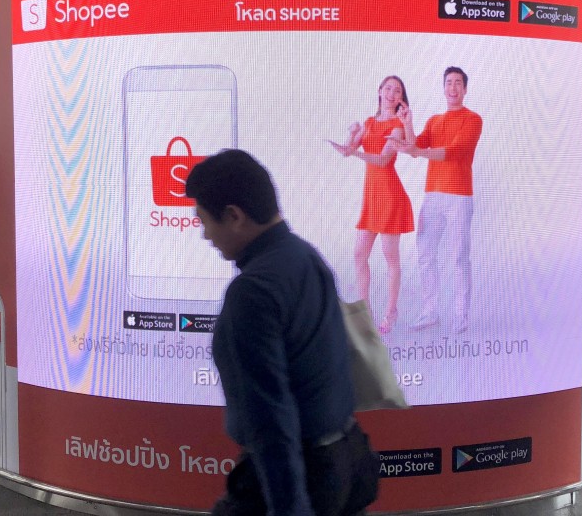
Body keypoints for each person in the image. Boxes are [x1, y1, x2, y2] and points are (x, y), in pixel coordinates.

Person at [184, 149, 379, 516]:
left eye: (204, 221)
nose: (206, 235)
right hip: (346, 460)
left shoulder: (252, 293)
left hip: (298, 481)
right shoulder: (306, 257)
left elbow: (270, 419)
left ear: (234, 216)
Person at [389, 66, 482, 333]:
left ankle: (461, 315)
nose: (452, 88)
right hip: (433, 196)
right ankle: (430, 312)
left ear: (465, 89)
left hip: (459, 198)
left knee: (459, 258)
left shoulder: (473, 119)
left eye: (457, 83)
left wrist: (417, 149)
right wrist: (407, 124)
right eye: (448, 83)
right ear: (443, 88)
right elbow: (414, 147)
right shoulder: (434, 121)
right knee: (426, 254)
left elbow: (454, 152)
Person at [329, 75, 415, 335]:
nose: (391, 93)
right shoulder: (368, 122)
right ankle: (364, 311)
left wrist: (354, 152)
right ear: (379, 91)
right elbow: (347, 150)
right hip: (373, 197)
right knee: (359, 254)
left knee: (390, 257)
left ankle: (391, 312)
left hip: (390, 196)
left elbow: (381, 160)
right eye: (388, 88)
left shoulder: (397, 126)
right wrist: (351, 134)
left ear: (401, 98)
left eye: (397, 91)